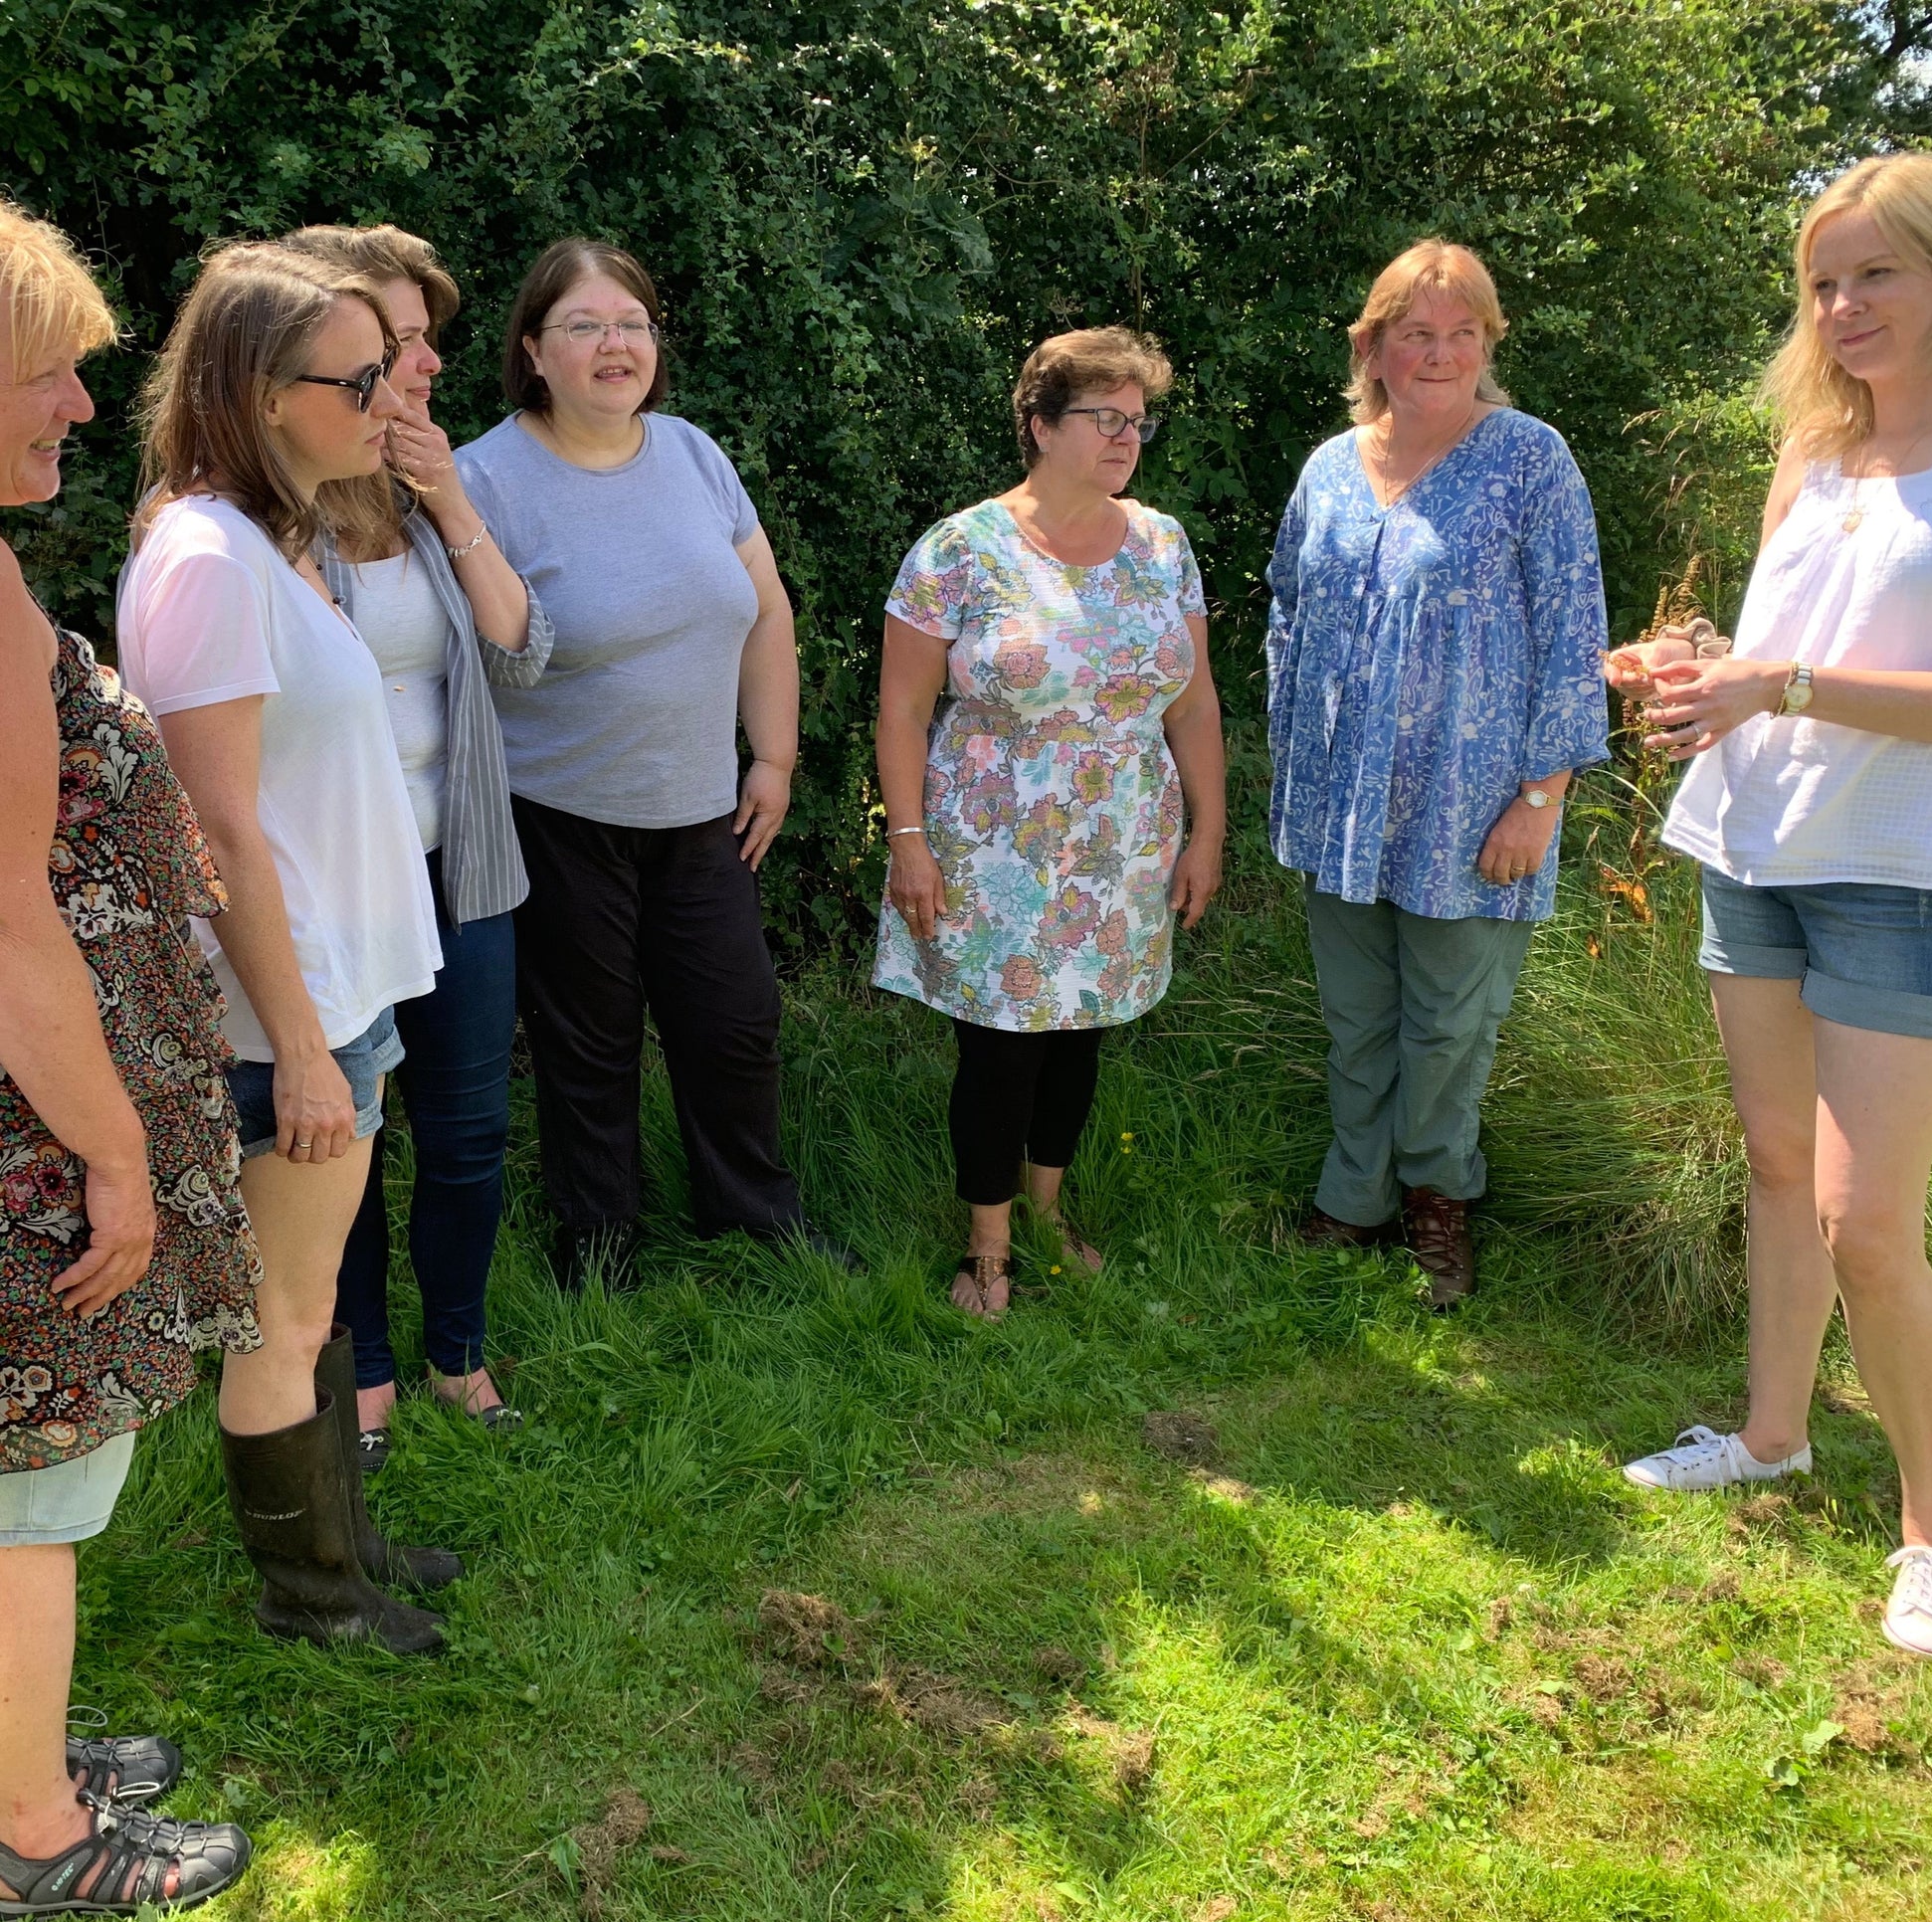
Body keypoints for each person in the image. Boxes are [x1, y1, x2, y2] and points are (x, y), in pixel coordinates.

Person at [1610, 154, 1932, 1657]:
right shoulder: (1807, 449)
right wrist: (1689, 663)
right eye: (1822, 280)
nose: (1842, 305)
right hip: (1755, 842)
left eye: (1875, 272)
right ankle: (1767, 1437)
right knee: (1770, 1161)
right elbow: (1767, 642)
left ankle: (1928, 1529)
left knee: (1866, 1217)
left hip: (1897, 870)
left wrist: (1779, 683)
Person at [116, 243, 459, 1652]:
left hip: (342, 988)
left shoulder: (275, 540)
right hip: (283, 1013)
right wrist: (304, 1044)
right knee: (284, 1304)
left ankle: (346, 1542)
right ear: (262, 392)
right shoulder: (203, 555)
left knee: (310, 1298)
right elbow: (222, 832)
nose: (383, 399)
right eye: (356, 378)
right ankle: (312, 1597)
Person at [0, 198, 254, 1919]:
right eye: (48, 374)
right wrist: (114, 1158)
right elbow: (8, 930)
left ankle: (19, 1757)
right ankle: (38, 1838)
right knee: (33, 1496)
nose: (85, 409)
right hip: (34, 1132)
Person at [455, 238, 849, 1288]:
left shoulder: (688, 452)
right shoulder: (481, 477)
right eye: (583, 325)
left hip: (701, 810)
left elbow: (764, 609)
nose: (613, 344)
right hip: (559, 811)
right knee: (589, 1047)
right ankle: (600, 1250)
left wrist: (772, 755)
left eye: (629, 322)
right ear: (533, 350)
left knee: (733, 1022)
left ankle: (753, 1214)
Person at [1263, 240, 1609, 1307]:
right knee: (1354, 1013)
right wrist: (1292, 757)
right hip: (1338, 807)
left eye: (1463, 332)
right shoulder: (1328, 466)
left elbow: (1570, 628)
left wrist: (1540, 794)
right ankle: (1352, 1195)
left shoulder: (1527, 458)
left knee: (1449, 1024)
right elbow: (1285, 605)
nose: (1440, 352)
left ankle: (1436, 1197)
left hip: (1473, 809)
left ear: (1488, 344)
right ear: (1372, 345)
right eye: (1416, 332)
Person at [873, 326, 1227, 1318]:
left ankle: (1044, 1213)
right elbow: (902, 708)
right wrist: (905, 841)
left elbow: (1191, 702)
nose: (1124, 437)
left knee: (1081, 1034)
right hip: (995, 848)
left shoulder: (1159, 543)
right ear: (1036, 423)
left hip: (1123, 841)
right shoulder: (960, 550)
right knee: (1001, 1041)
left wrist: (1207, 830)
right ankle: (985, 1247)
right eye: (1100, 417)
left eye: (1136, 420)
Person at [279, 224, 550, 1471]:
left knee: (465, 1130)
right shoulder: (263, 506)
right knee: (346, 1132)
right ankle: (365, 1370)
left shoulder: (433, 487)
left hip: (462, 870)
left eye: (426, 336)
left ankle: (458, 1350)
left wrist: (446, 499)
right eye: (398, 340)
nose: (429, 360)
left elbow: (520, 644)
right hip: (338, 891)